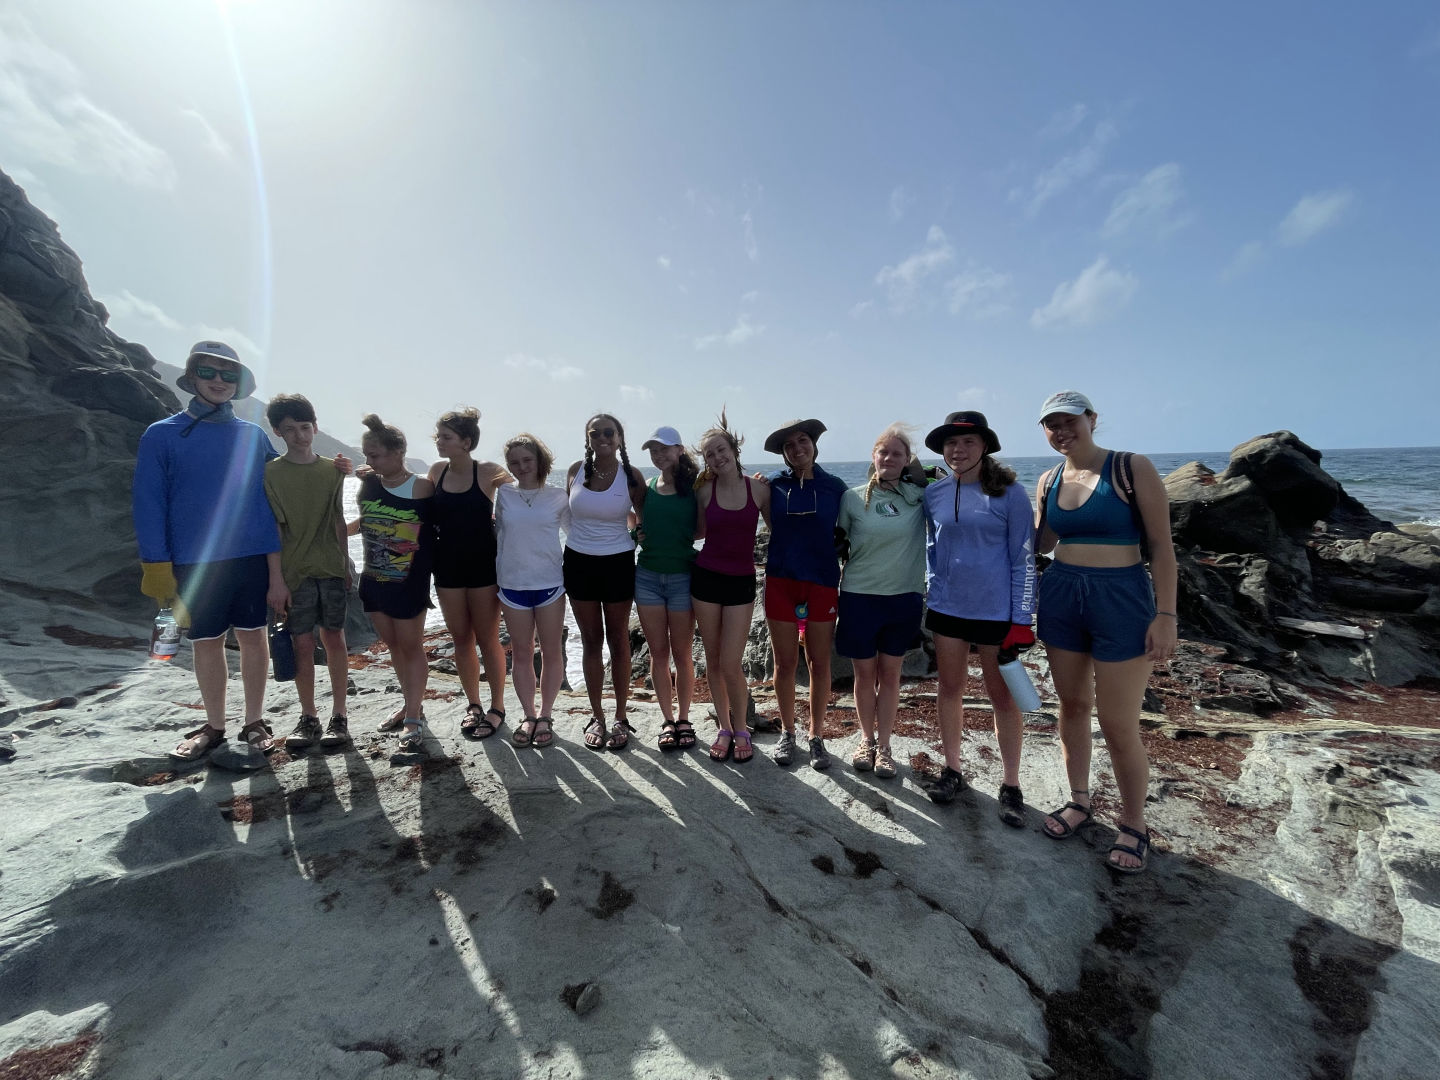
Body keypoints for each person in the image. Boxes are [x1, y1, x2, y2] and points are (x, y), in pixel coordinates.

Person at [1034, 390, 1177, 874]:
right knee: (1072, 706)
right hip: (1061, 595)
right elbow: (1041, 542)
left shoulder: (1131, 468)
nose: (1061, 431)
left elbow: (1162, 547)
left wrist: (1166, 615)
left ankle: (1134, 823)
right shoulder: (1048, 480)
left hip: (1122, 599)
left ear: (1092, 419)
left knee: (1119, 723)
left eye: (1069, 421)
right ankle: (1079, 800)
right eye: (1051, 424)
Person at [133, 341, 285, 761]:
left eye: (228, 374)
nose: (219, 380)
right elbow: (148, 502)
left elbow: (285, 485)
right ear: (192, 376)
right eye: (208, 371)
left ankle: (254, 721)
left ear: (239, 383)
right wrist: (156, 565)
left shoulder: (253, 435)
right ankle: (215, 726)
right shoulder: (161, 434)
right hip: (193, 560)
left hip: (251, 556)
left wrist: (340, 471)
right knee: (205, 641)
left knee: (253, 637)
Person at [921, 411, 1036, 822]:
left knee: (1002, 698)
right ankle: (953, 769)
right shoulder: (934, 493)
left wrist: (1022, 619)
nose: (959, 449)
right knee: (949, 689)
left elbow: (1024, 559)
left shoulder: (1011, 494)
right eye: (951, 443)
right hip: (947, 608)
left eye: (968, 441)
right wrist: (934, 585)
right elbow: (932, 548)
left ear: (985, 446)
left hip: (996, 613)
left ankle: (1011, 784)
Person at [834, 425, 928, 780]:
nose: (889, 458)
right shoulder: (852, 498)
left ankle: (885, 747)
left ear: (907, 460)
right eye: (883, 452)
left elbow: (947, 476)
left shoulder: (920, 496)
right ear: (873, 456)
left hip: (903, 597)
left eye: (897, 453)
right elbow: (839, 545)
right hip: (859, 596)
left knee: (890, 675)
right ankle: (866, 741)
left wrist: (914, 470)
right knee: (864, 675)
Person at [264, 394, 353, 751]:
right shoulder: (271, 473)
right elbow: (274, 529)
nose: (300, 436)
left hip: (331, 567)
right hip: (294, 570)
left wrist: (347, 563)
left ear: (315, 427)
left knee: (335, 638)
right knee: (301, 642)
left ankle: (340, 715)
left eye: (305, 427)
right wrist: (276, 580)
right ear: (277, 432)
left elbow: (339, 519)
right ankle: (308, 716)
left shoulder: (334, 469)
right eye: (290, 430)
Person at [762, 419, 848, 770]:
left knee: (819, 663)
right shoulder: (772, 485)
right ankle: (787, 732)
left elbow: (854, 529)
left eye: (802, 441)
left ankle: (816, 735)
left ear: (813, 444)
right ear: (783, 453)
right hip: (781, 581)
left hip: (822, 582)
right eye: (789, 445)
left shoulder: (835, 487)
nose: (797, 449)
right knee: (784, 664)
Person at [427, 408, 512, 739]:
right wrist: (373, 476)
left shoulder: (489, 471)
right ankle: (473, 704)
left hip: (483, 566)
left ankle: (497, 706)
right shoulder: (437, 471)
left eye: (446, 436)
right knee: (461, 638)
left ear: (466, 442)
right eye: (438, 435)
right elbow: (414, 503)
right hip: (446, 566)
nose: (439, 441)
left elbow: (525, 491)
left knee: (488, 638)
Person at [692, 414, 771, 764]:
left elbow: (780, 531)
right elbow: (696, 532)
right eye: (709, 454)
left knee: (730, 663)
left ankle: (742, 728)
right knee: (712, 660)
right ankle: (724, 727)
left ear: (734, 449)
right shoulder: (703, 491)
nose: (716, 457)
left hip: (741, 581)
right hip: (706, 579)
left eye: (720, 450)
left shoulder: (760, 489)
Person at [353, 415, 435, 751]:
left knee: (411, 646)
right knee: (394, 646)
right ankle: (411, 705)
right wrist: (334, 532)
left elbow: (442, 528)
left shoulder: (423, 488)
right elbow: (367, 520)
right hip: (373, 579)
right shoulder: (369, 482)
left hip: (409, 583)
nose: (369, 461)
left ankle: (413, 718)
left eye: (375, 455)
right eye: (367, 455)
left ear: (399, 452)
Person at [564, 413, 646, 751]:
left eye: (608, 432)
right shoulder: (575, 471)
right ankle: (597, 715)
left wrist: (634, 536)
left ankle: (620, 716)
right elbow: (567, 515)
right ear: (588, 439)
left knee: (619, 640)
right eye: (595, 433)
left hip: (618, 564)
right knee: (591, 641)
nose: (602, 438)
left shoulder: (632, 476)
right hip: (578, 562)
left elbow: (643, 517)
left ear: (620, 437)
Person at [494, 433, 569, 749]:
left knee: (551, 652)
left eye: (527, 460)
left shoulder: (558, 496)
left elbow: (578, 533)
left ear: (540, 460)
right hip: (512, 584)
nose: (521, 466)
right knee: (522, 653)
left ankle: (546, 715)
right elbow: (497, 533)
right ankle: (528, 715)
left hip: (549, 583)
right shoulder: (504, 493)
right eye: (514, 462)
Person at [634, 426, 700, 752]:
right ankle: (667, 720)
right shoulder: (646, 487)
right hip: (647, 578)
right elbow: (636, 521)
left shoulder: (696, 487)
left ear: (680, 450)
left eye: (664, 449)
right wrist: (635, 533)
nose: (658, 455)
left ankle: (684, 718)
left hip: (682, 578)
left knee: (682, 653)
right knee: (658, 654)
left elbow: (703, 528)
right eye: (653, 450)